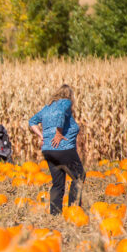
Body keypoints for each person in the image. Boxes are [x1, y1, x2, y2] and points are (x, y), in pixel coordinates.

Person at [28, 84, 84, 215]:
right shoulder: (65, 102)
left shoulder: (47, 108)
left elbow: (32, 122)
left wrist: (41, 136)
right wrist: (58, 133)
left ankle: (55, 214)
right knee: (79, 176)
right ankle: (74, 210)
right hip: (63, 149)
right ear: (69, 95)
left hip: (48, 150)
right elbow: (59, 114)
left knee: (58, 183)